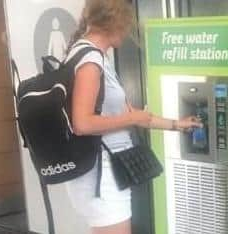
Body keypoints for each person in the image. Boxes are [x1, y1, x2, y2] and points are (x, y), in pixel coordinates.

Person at [64, 0, 202, 233]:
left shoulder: (96, 58)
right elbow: (82, 123)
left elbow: (133, 115)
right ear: (113, 22)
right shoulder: (90, 61)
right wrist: (131, 120)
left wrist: (176, 125)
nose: (128, 32)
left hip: (106, 171)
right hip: (102, 175)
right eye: (126, 24)